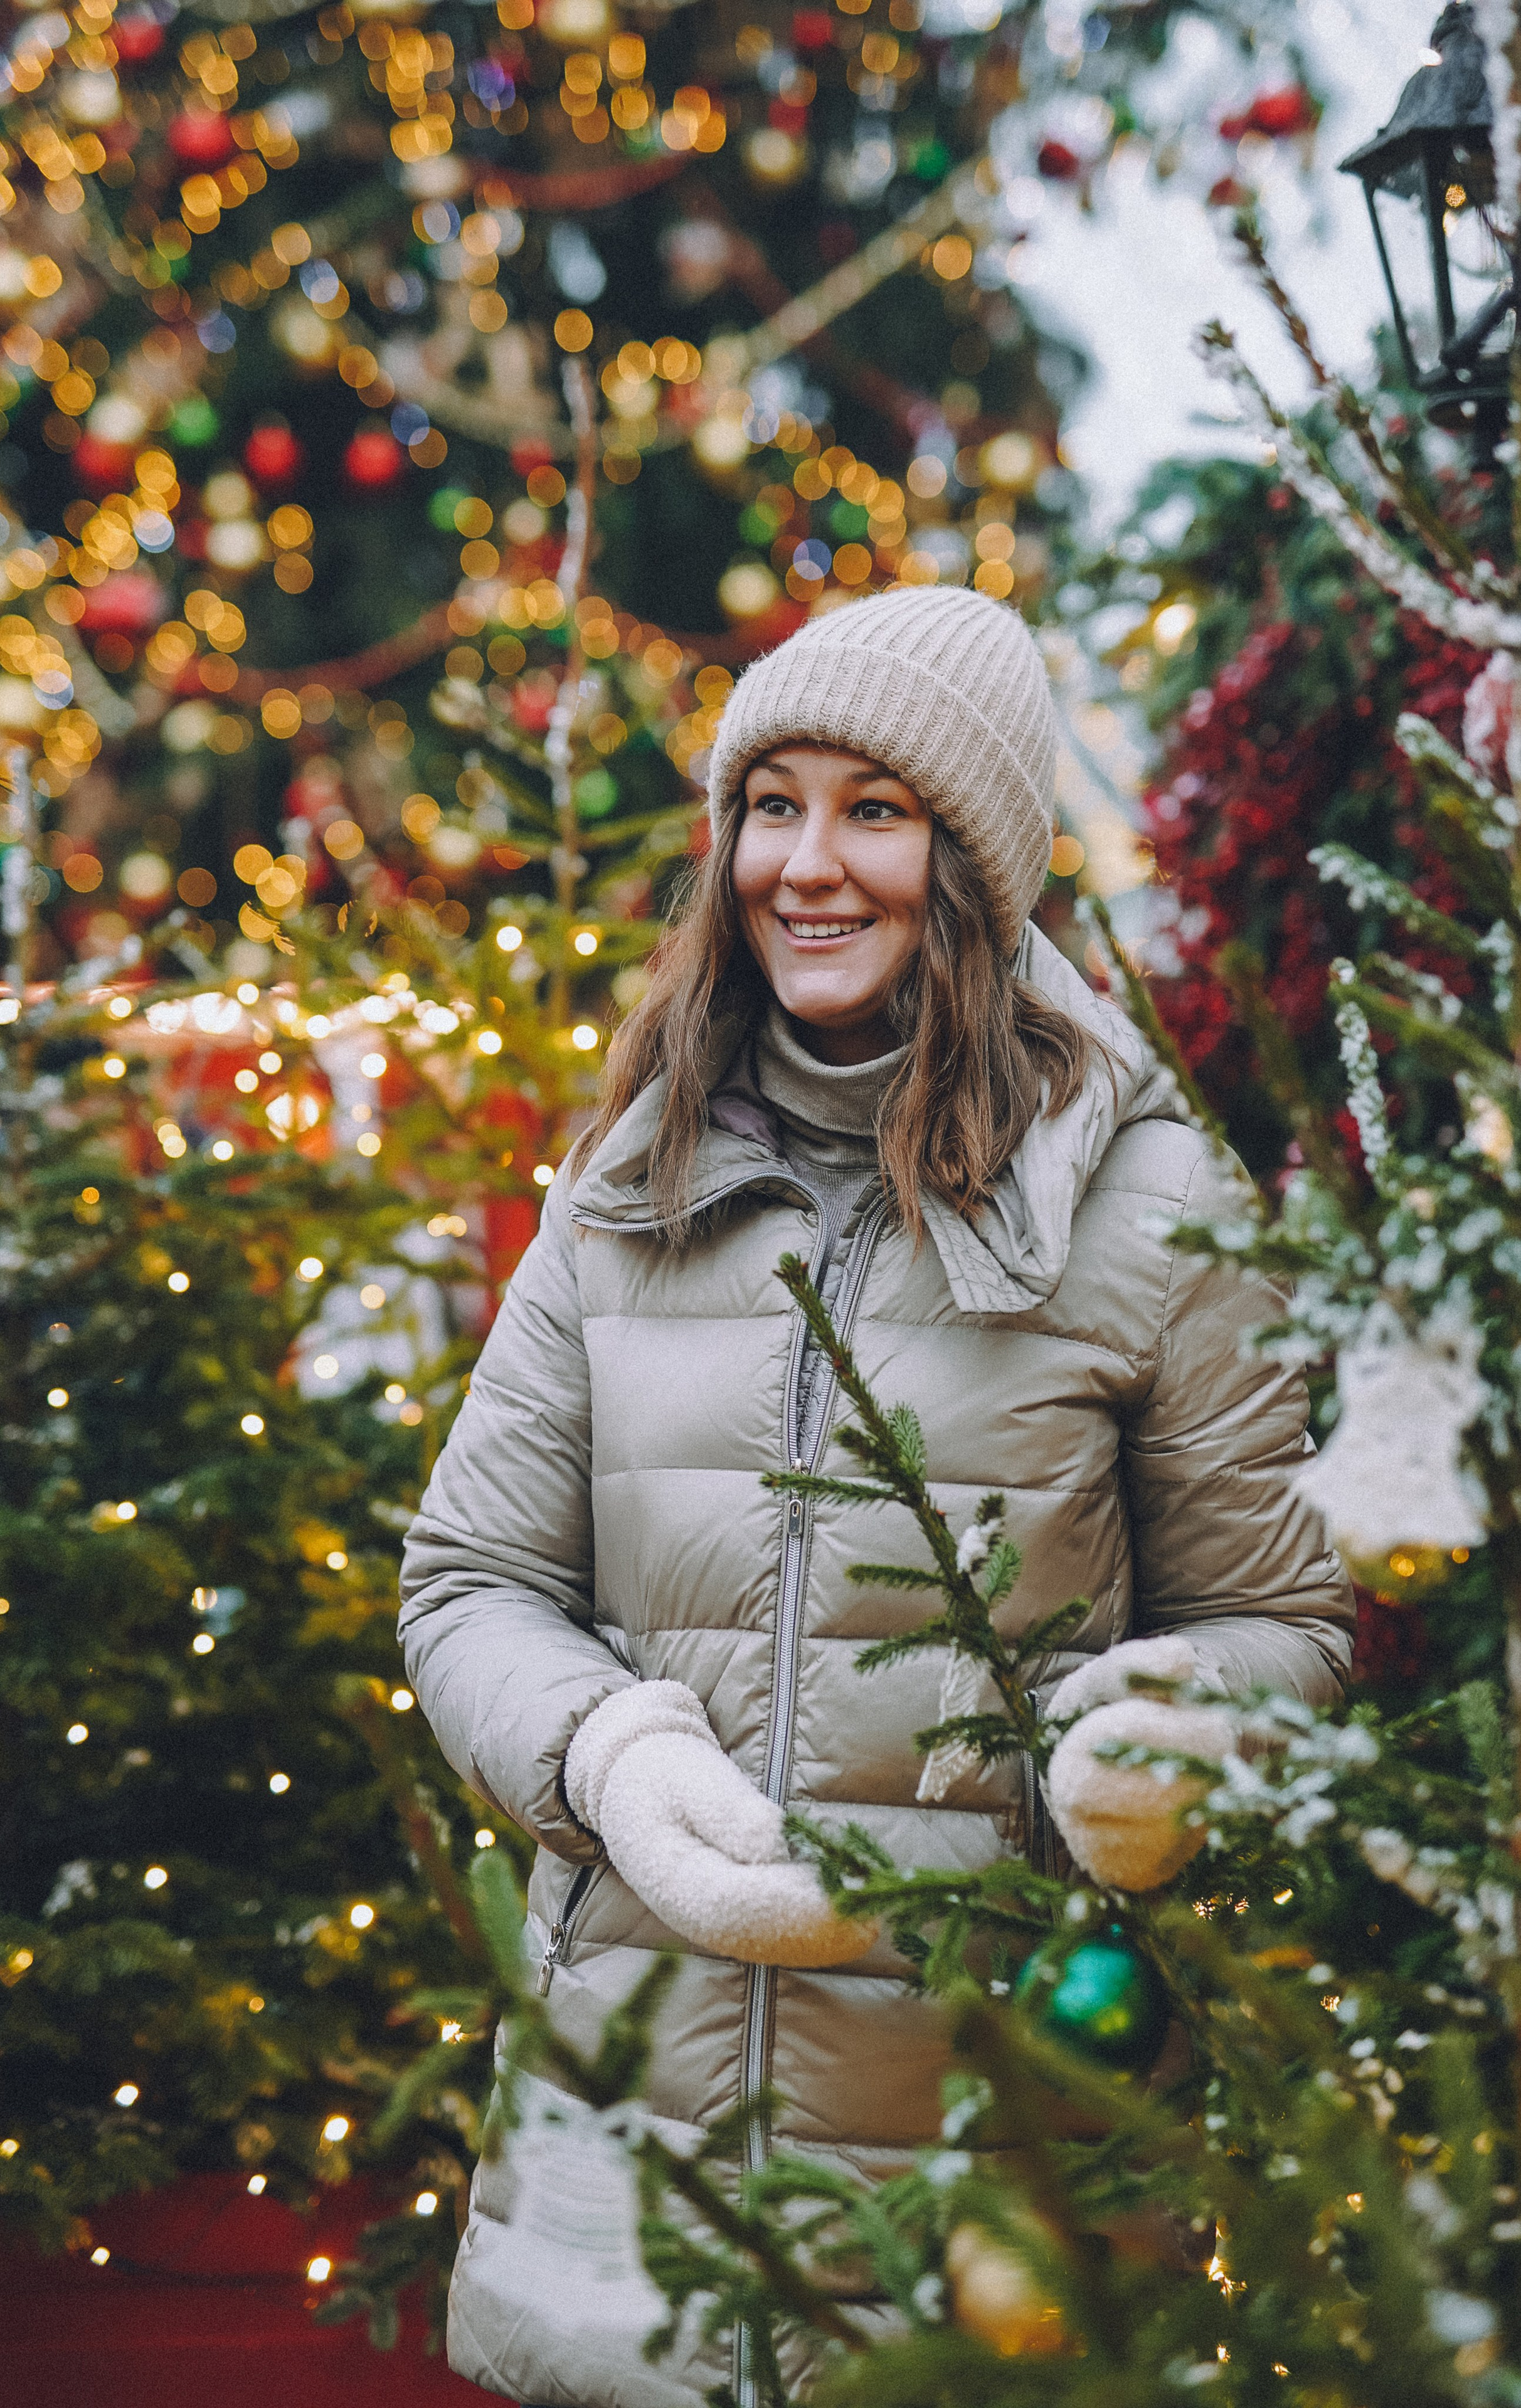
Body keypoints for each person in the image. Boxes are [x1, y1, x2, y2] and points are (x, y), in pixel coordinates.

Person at [398, 587, 1354, 2407]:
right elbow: (469, 1580)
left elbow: (1286, 1626)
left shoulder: (1146, 1205)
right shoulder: (630, 1177)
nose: (807, 865)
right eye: (772, 804)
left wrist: (1160, 1744)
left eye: (876, 811)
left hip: (1000, 2203)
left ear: (977, 861)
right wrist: (603, 1755)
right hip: (637, 2189)